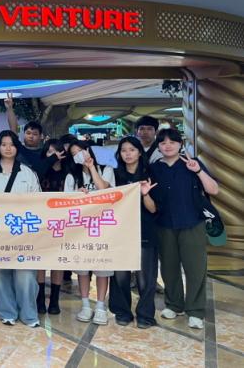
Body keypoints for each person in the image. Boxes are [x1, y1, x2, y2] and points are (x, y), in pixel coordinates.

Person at [149, 129, 218, 330]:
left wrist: (198, 171)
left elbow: (213, 189)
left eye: (172, 142)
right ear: (158, 146)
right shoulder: (154, 168)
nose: (167, 146)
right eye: (163, 143)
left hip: (192, 223)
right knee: (168, 267)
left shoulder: (192, 163)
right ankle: (174, 304)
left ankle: (195, 310)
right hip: (164, 224)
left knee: (195, 268)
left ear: (180, 144)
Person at [0, 130, 42, 327]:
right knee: (0, 274)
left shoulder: (27, 173)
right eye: (3, 144)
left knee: (26, 275)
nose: (7, 148)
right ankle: (6, 312)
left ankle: (29, 314)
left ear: (17, 147)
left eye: (11, 144)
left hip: (23, 233)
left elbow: (38, 201)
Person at [109, 137, 158, 328]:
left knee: (145, 275)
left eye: (132, 149)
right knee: (120, 274)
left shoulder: (150, 174)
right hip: (120, 230)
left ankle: (145, 315)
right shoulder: (114, 175)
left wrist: (145, 194)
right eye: (124, 150)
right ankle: (122, 312)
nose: (128, 154)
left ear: (139, 152)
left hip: (145, 228)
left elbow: (153, 209)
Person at [65, 140, 115, 325]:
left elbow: (103, 189)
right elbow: (65, 202)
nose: (79, 155)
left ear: (89, 150)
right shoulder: (72, 176)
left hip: (103, 227)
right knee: (83, 269)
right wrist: (77, 195)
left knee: (102, 268)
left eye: (81, 151)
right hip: (81, 230)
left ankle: (100, 306)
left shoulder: (106, 169)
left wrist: (92, 167)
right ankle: (85, 305)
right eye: (74, 154)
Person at [37, 139, 68, 315]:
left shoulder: (68, 171)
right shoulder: (41, 170)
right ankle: (40, 297)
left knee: (58, 260)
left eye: (57, 151)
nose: (54, 155)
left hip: (63, 222)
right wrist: (49, 161)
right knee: (41, 260)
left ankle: (55, 299)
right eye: (50, 152)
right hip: (42, 220)